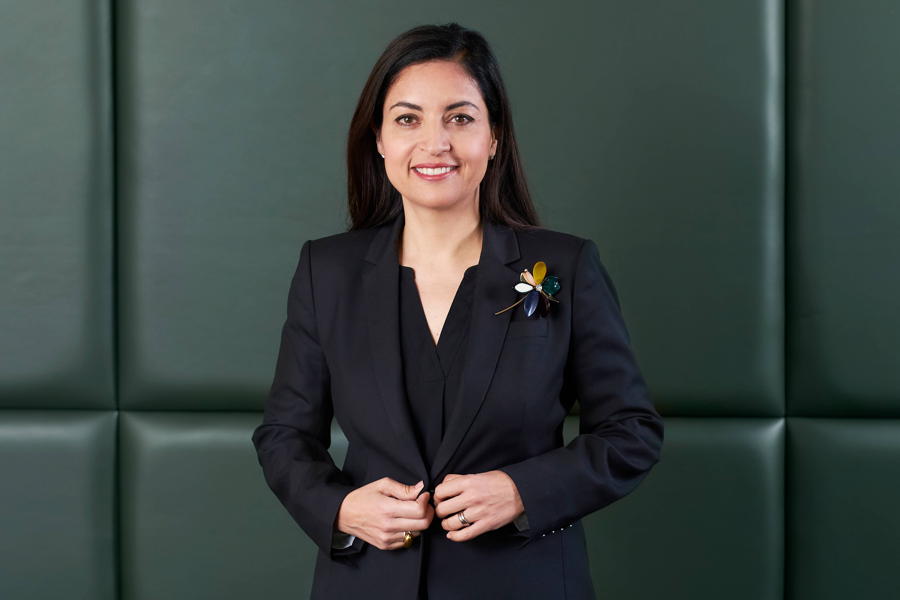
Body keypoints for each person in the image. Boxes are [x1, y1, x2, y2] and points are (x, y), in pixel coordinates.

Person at [251, 22, 664, 599]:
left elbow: (631, 432)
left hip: (525, 584)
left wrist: (522, 491)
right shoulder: (327, 271)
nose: (435, 143)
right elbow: (284, 435)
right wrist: (340, 508)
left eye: (460, 118)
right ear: (379, 139)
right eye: (408, 119)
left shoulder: (566, 266)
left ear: (494, 138)